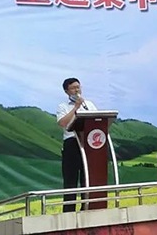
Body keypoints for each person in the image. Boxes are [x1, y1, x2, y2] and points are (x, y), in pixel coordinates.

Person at [56, 77, 98, 212]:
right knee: (71, 179)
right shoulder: (63, 106)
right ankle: (69, 211)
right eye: (73, 88)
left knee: (88, 177)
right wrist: (76, 107)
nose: (77, 90)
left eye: (78, 87)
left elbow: (98, 120)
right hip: (72, 143)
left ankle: (88, 207)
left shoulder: (89, 105)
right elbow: (63, 123)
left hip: (89, 143)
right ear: (66, 91)